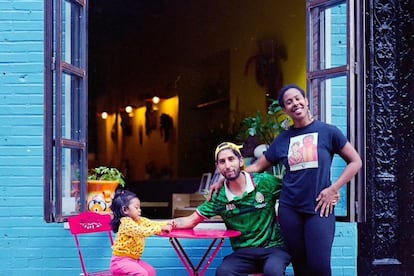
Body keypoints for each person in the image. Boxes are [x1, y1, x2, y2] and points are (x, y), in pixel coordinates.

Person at [210, 84, 362, 276]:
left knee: (319, 266)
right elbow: (257, 167)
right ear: (284, 110)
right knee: (300, 265)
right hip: (290, 209)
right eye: (288, 102)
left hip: (319, 207)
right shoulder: (283, 139)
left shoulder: (328, 132)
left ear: (306, 101)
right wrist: (226, 179)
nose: (295, 104)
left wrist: (334, 188)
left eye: (298, 98)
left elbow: (356, 162)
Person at [172, 142, 291, 276]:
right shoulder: (219, 197)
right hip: (243, 253)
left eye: (231, 159)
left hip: (273, 249)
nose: (228, 165)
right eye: (222, 162)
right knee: (223, 272)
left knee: (273, 272)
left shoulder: (264, 182)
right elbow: (190, 220)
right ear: (217, 167)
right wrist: (158, 225)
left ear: (240, 161)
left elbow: (293, 190)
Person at [110, 189, 174, 276]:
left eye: (139, 207)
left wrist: (166, 223)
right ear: (125, 210)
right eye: (136, 208)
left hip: (134, 260)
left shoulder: (139, 220)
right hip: (120, 261)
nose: (139, 210)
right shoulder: (126, 222)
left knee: (151, 271)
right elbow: (140, 231)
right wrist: (160, 228)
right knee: (142, 273)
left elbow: (151, 223)